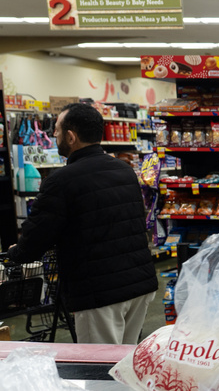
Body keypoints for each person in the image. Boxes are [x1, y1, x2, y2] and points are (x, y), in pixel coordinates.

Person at [7, 102, 158, 344]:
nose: (53, 135)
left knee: (99, 370)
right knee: (125, 364)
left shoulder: (61, 181)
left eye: (56, 130)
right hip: (139, 284)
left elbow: (36, 238)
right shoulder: (124, 170)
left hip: (100, 291)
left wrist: (16, 253)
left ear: (71, 136)